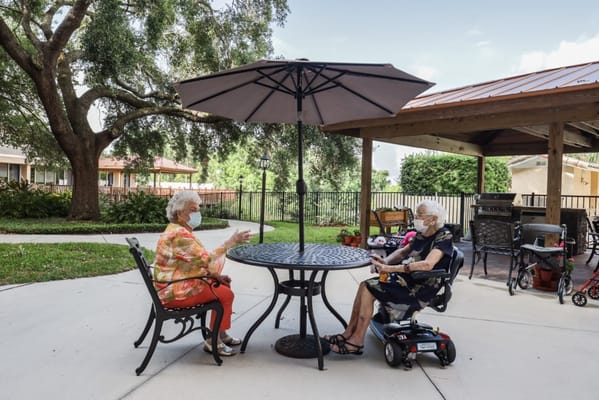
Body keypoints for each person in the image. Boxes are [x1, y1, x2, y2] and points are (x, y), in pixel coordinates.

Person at [325, 199, 453, 355]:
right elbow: (402, 252)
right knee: (364, 285)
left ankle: (357, 341)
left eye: (420, 215)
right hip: (408, 280)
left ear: (433, 219)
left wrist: (391, 269)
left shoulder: (443, 236)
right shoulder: (423, 234)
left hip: (420, 288)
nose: (416, 218)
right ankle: (348, 333)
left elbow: (428, 264)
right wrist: (385, 261)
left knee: (368, 288)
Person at [154, 190, 252, 356]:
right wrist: (230, 242)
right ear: (180, 213)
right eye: (193, 210)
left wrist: (215, 276)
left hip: (174, 285)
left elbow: (195, 261)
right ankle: (213, 340)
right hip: (175, 293)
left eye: (198, 208)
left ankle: (219, 334)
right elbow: (206, 259)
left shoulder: (177, 230)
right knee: (225, 295)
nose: (197, 213)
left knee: (222, 286)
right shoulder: (179, 235)